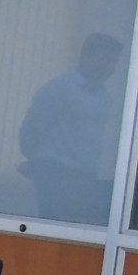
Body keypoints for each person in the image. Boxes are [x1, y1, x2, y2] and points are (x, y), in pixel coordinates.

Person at [17, 33, 122, 225]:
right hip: (56, 174)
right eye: (106, 60)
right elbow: (32, 128)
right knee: (56, 228)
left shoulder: (103, 96)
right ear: (88, 57)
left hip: (85, 174)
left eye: (113, 62)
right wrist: (39, 162)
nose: (110, 68)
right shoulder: (60, 88)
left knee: (78, 227)